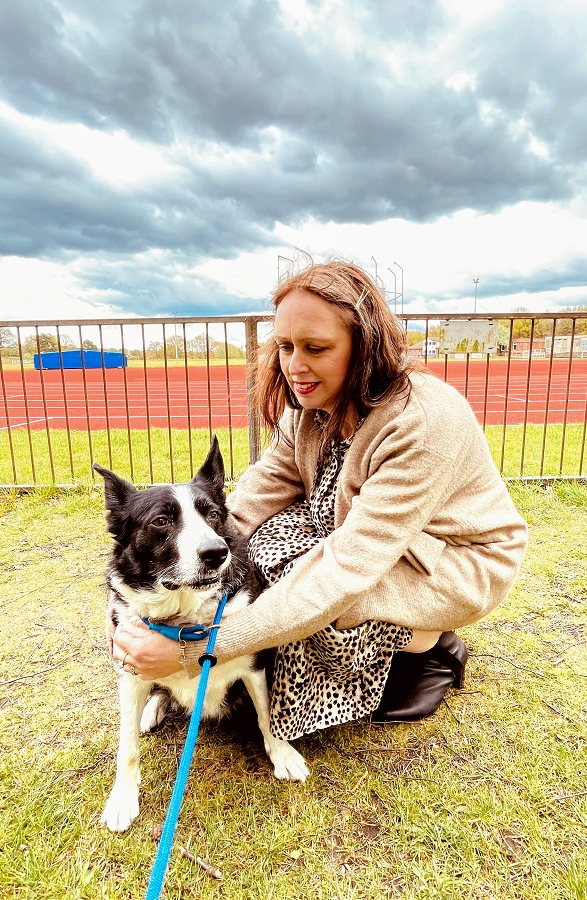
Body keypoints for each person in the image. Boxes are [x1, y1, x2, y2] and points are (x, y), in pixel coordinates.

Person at [111, 260, 528, 737]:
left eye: (316, 348)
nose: (294, 366)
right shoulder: (313, 406)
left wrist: (201, 647)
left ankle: (428, 647)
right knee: (258, 557)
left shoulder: (424, 423)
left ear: (366, 346)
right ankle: (369, 654)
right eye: (285, 347)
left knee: (327, 599)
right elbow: (251, 501)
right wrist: (132, 606)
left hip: (451, 562)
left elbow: (347, 568)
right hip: (360, 538)